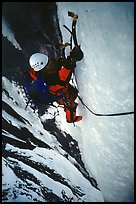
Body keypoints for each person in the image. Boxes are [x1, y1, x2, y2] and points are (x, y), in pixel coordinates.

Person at [29, 44, 83, 123]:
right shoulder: (49, 81)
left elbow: (54, 66)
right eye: (47, 63)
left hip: (61, 89)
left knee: (72, 93)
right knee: (70, 104)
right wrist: (72, 59)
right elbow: (62, 78)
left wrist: (64, 59)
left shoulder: (40, 69)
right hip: (61, 93)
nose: (49, 62)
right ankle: (71, 119)